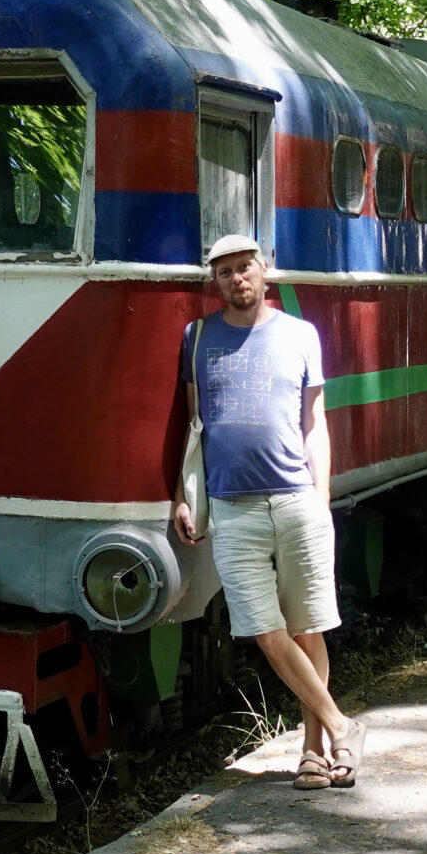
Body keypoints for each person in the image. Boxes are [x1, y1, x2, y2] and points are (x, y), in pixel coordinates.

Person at [170, 232, 364, 789]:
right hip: (233, 508)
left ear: (265, 270)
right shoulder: (197, 336)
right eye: (225, 271)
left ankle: (313, 752)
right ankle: (341, 726)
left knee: (307, 627)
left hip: (296, 499)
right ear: (215, 281)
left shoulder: (301, 334)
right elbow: (193, 426)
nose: (237, 279)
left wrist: (320, 499)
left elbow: (314, 424)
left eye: (245, 267)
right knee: (263, 627)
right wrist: (185, 495)